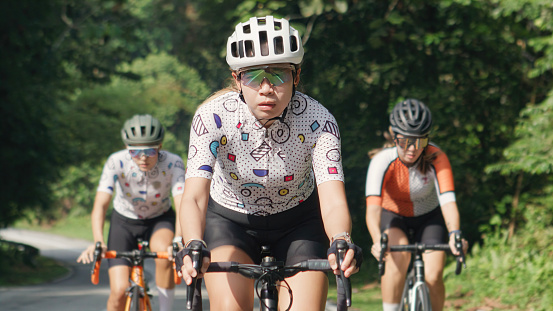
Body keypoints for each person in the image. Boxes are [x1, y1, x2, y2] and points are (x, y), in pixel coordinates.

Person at [177, 16, 362, 311]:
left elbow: (332, 199)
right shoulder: (212, 116)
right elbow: (195, 197)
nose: (266, 88)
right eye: (253, 76)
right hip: (230, 221)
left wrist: (340, 238)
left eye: (278, 75)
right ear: (237, 78)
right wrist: (193, 243)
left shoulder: (319, 120)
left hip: (298, 223)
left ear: (296, 76)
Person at [365, 99, 468, 311]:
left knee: (434, 275)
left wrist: (455, 234)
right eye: (404, 142)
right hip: (394, 217)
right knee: (396, 260)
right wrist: (377, 240)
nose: (412, 149)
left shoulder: (436, 157)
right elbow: (373, 209)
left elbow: (448, 202)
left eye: (420, 142)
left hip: (429, 217)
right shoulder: (382, 161)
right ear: (394, 136)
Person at [77, 114, 185, 311]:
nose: (143, 158)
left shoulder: (173, 162)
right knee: (119, 291)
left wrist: (178, 238)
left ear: (160, 146)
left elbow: (182, 202)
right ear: (127, 148)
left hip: (159, 219)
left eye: (150, 151)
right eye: (135, 152)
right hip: (123, 222)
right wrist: (98, 241)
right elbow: (100, 204)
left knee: (166, 251)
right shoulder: (115, 162)